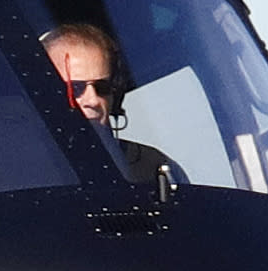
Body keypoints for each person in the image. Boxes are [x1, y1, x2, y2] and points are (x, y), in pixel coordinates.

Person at [41, 23, 189, 185]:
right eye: (76, 87)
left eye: (102, 87)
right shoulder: (16, 167)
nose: (93, 100)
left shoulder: (154, 168)